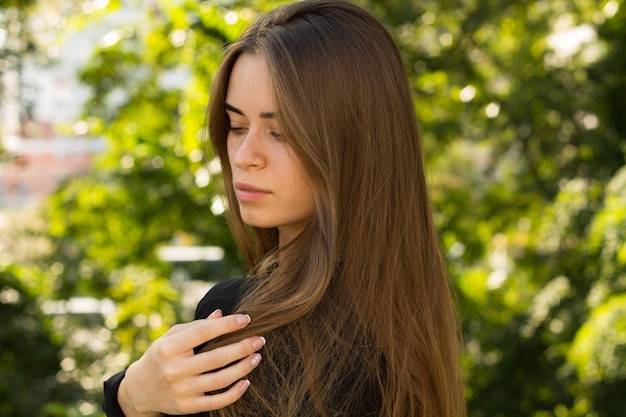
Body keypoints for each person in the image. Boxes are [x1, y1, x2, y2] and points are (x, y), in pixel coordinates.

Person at [103, 1, 466, 416]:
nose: (244, 155)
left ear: (354, 144)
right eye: (237, 126)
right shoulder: (412, 323)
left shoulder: (240, 328)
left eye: (281, 132)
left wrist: (129, 399)